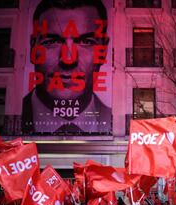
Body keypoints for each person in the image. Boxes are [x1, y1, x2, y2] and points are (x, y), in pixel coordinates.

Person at [22, 0, 111, 135]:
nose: (68, 59)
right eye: (52, 41)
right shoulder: (18, 116)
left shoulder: (111, 120)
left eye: (86, 42)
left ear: (104, 50)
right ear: (33, 46)